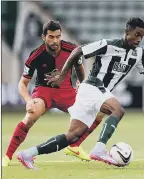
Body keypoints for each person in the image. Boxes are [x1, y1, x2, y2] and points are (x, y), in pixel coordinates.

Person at [17, 17, 144, 169]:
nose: (139, 39)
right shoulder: (108, 45)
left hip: (96, 93)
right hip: (92, 87)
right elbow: (78, 51)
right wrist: (62, 75)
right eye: (137, 34)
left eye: (142, 36)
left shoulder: (139, 53)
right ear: (127, 31)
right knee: (118, 110)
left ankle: (27, 154)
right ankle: (99, 149)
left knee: (72, 137)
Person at [2, 20, 104, 167]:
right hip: (44, 92)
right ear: (43, 37)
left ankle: (74, 146)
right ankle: (7, 156)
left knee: (98, 110)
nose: (55, 40)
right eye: (51, 37)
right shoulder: (35, 55)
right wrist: (28, 100)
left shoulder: (72, 49)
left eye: (58, 36)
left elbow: (79, 67)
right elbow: (22, 84)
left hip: (67, 91)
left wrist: (83, 85)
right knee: (31, 115)